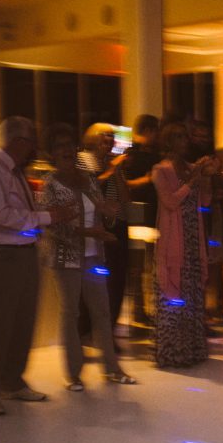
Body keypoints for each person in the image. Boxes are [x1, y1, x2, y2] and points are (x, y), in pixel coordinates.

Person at [0, 116, 76, 415]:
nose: (33, 149)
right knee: (1, 323)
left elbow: (20, 212)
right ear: (19, 142)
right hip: (0, 256)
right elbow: (2, 215)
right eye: (31, 142)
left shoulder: (12, 170)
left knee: (24, 321)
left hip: (24, 253)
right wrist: (49, 217)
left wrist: (43, 218)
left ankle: (12, 382)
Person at [40, 124, 136, 389]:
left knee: (102, 312)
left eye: (69, 145)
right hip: (66, 258)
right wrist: (88, 230)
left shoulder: (89, 178)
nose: (66, 150)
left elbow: (104, 211)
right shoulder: (50, 183)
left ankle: (111, 368)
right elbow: (53, 224)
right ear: (51, 153)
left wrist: (107, 213)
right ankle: (73, 375)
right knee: (70, 313)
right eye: (59, 146)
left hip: (94, 256)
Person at [152, 122, 216, 367]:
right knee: (173, 293)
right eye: (177, 136)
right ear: (168, 142)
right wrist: (193, 180)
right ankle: (172, 352)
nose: (184, 141)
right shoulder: (160, 170)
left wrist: (207, 177)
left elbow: (206, 200)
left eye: (184, 136)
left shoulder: (191, 168)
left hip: (192, 237)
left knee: (192, 295)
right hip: (173, 240)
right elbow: (170, 201)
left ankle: (192, 348)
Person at [77, 122, 130, 335]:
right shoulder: (82, 160)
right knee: (94, 282)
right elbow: (86, 191)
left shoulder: (112, 163)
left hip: (116, 228)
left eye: (111, 137)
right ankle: (88, 330)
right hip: (94, 230)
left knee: (117, 282)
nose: (108, 140)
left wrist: (116, 172)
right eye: (104, 136)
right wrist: (110, 171)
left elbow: (126, 199)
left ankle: (108, 330)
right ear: (91, 138)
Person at [122, 113, 160, 325]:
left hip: (152, 214)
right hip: (137, 215)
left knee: (149, 266)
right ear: (147, 131)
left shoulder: (154, 155)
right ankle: (138, 310)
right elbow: (124, 185)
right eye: (155, 131)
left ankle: (146, 309)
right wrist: (147, 179)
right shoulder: (131, 155)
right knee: (137, 266)